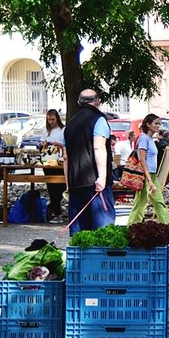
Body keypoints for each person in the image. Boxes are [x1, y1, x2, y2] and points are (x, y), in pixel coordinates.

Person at [63, 89, 115, 234]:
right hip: (96, 184)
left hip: (75, 183)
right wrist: (102, 177)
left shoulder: (70, 124)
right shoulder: (99, 120)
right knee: (103, 231)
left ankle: (80, 257)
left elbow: (66, 158)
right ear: (97, 102)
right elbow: (98, 148)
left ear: (78, 103)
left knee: (79, 233)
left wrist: (68, 183)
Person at [127, 113, 169, 225]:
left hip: (152, 175)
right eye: (156, 123)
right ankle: (131, 228)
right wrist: (149, 180)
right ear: (148, 124)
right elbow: (142, 160)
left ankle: (166, 227)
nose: (158, 126)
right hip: (144, 176)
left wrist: (152, 179)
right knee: (140, 204)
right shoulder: (143, 139)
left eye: (159, 124)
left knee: (159, 202)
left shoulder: (150, 139)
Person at [41, 109, 66, 221]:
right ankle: (57, 213)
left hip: (60, 160)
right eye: (49, 119)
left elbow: (66, 144)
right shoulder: (46, 130)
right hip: (48, 160)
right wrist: (45, 145)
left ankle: (52, 207)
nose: (51, 122)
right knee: (51, 188)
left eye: (53, 119)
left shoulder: (63, 129)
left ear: (57, 118)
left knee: (61, 186)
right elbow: (42, 145)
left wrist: (58, 144)